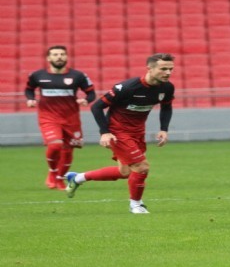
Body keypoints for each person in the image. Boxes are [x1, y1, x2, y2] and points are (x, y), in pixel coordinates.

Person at [64, 53, 175, 214]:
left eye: (170, 69)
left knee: (126, 172)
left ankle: (77, 178)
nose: (168, 73)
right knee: (142, 166)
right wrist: (105, 132)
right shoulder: (127, 87)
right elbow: (97, 107)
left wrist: (164, 129)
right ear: (149, 68)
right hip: (117, 132)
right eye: (163, 69)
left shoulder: (167, 87)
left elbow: (166, 106)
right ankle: (136, 204)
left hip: (137, 132)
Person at [25, 45, 96, 190]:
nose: (59, 57)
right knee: (55, 145)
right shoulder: (37, 75)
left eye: (62, 54)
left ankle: (59, 178)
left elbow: (91, 93)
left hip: (71, 118)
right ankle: (52, 172)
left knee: (68, 149)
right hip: (48, 117)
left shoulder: (78, 76)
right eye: (55, 54)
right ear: (48, 58)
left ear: (67, 57)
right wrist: (30, 98)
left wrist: (86, 100)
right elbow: (29, 89)